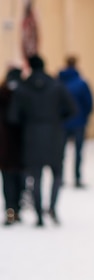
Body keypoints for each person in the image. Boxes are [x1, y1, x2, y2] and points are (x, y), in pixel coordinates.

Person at [8, 55, 76, 227]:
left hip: (31, 136)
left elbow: (13, 116)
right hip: (55, 134)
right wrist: (57, 119)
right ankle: (52, 208)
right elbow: (73, 109)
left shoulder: (22, 88)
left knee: (35, 177)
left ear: (29, 66)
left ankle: (39, 215)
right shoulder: (56, 85)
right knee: (57, 174)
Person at [58, 55, 94, 188]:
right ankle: (77, 178)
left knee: (60, 152)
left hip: (61, 123)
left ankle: (60, 177)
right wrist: (84, 117)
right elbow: (89, 102)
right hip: (79, 122)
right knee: (78, 152)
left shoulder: (59, 82)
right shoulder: (81, 83)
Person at [0, 66, 25, 225]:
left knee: (7, 179)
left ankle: (10, 210)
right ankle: (17, 208)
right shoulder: (25, 94)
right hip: (22, 145)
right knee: (20, 178)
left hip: (4, 146)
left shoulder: (2, 93)